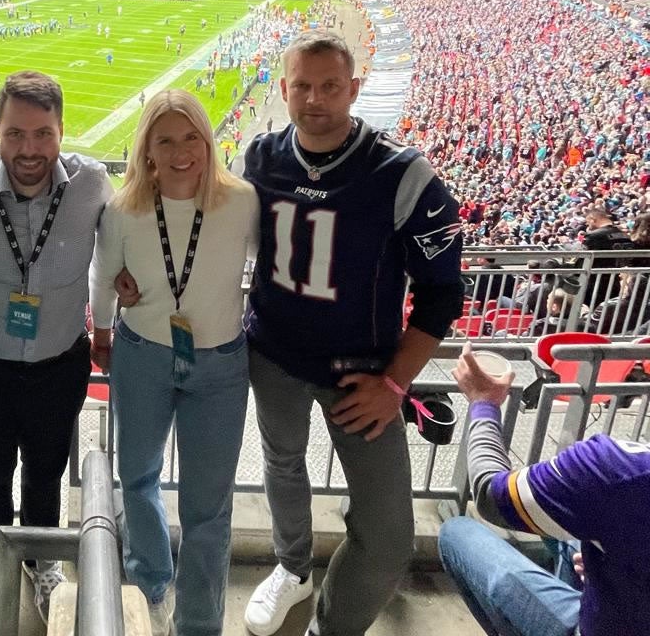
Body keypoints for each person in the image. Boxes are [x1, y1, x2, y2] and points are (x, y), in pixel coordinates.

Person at [232, 31, 464, 636]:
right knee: (282, 464)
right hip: (274, 352)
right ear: (282, 89)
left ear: (354, 88)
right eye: (302, 85)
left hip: (363, 375)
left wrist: (396, 382)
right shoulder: (258, 158)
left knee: (387, 534)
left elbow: (444, 291)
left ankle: (331, 626)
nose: (315, 98)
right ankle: (292, 568)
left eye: (330, 85)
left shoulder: (402, 173)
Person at [0, 70, 113, 632]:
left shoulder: (92, 184)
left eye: (42, 133)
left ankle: (40, 561)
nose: (29, 149)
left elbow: (120, 252)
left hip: (58, 364)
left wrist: (123, 302)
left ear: (63, 131)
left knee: (46, 472)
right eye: (15, 134)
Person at [90, 90, 259, 636]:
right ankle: (150, 580)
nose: (182, 151)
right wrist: (100, 327)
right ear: (147, 149)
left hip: (220, 365)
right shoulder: (124, 209)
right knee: (137, 476)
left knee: (209, 509)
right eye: (166, 139)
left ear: (209, 142)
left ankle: (200, 623)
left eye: (192, 137)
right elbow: (104, 275)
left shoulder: (242, 202)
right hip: (142, 354)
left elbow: (274, 263)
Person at [438, 344, 650, 636]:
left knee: (456, 532)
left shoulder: (619, 469)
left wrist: (484, 402)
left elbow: (491, 495)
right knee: (577, 542)